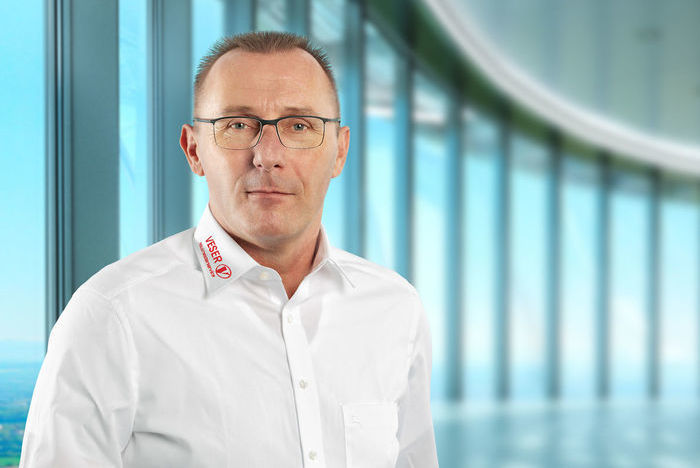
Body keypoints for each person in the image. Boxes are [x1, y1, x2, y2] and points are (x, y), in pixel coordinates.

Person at [20, 31, 439, 468]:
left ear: (339, 151)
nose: (268, 156)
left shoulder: (395, 309)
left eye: (299, 126)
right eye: (238, 125)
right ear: (193, 150)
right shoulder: (112, 316)